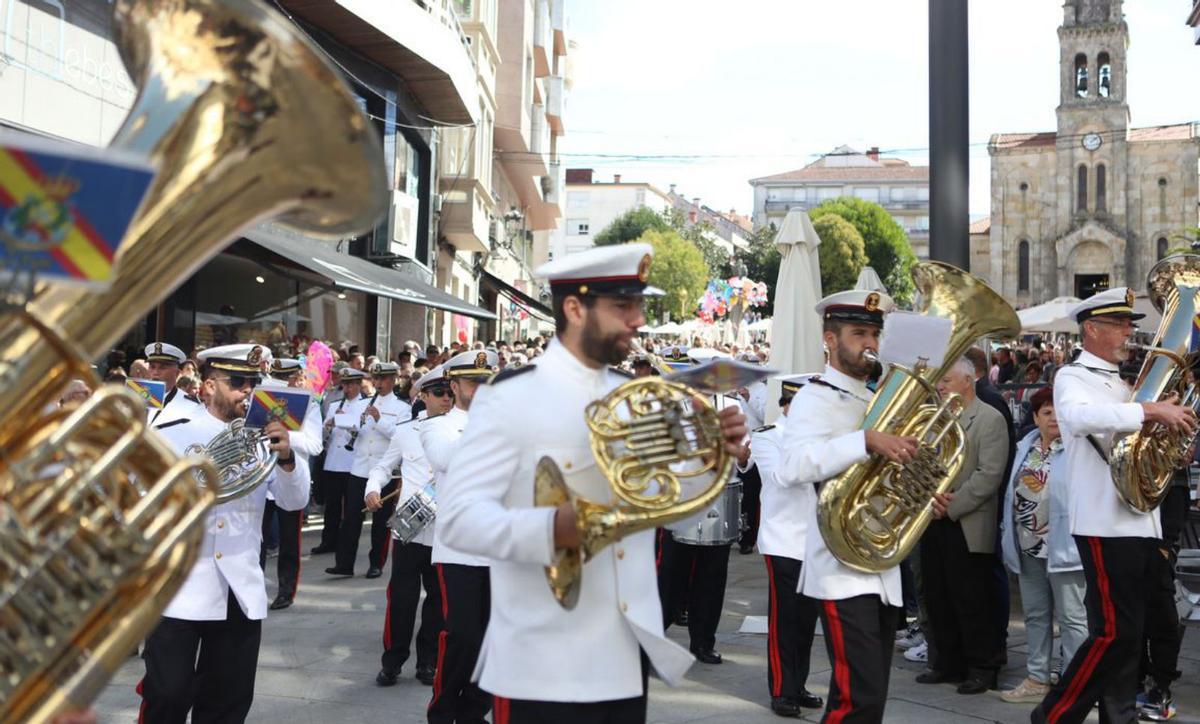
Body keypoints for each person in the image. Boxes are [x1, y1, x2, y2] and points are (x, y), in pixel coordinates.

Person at [437, 243, 746, 724]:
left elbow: (658, 502)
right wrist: (551, 529)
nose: (638, 319)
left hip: (625, 648)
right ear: (575, 309)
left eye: (639, 305)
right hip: (544, 654)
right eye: (624, 306)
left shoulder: (631, 396)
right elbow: (458, 520)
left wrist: (710, 463)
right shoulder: (510, 397)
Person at [1033, 288, 1196, 723]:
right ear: (1092, 329)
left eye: (1130, 325)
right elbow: (1078, 418)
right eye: (1121, 324)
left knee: (1131, 634)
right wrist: (1150, 411)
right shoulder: (1074, 377)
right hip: (1104, 521)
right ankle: (1054, 715)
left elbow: (1140, 440)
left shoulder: (1125, 384)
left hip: (1141, 520)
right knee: (1111, 634)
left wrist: (1172, 441)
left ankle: (1118, 717)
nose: (1130, 331)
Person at [139, 344, 310, 723]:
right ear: (209, 385)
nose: (248, 390)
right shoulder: (172, 431)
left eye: (253, 381)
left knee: (227, 703)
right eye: (238, 382)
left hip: (238, 585)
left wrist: (286, 458)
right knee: (168, 693)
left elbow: (294, 501)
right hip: (179, 583)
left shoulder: (268, 437)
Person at [778, 289, 916, 723]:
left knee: (866, 698)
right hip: (839, 568)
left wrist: (923, 492)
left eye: (875, 332)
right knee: (858, 699)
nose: (870, 342)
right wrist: (865, 440)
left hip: (880, 564)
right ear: (830, 340)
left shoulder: (875, 399)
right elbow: (792, 466)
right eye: (859, 333)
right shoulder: (813, 398)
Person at [918, 357, 1008, 694]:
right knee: (938, 594)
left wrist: (951, 504)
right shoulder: (937, 418)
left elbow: (990, 475)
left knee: (972, 599)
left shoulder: (990, 418)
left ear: (968, 381)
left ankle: (983, 666)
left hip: (966, 520)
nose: (940, 387)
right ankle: (947, 662)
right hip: (933, 517)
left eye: (946, 381)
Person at [998, 386, 1087, 703]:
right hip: (1028, 546)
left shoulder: (1079, 449)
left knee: (1073, 618)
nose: (1054, 418)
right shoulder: (1026, 446)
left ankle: (1074, 683)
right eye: (1046, 412)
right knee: (1036, 615)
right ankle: (1037, 679)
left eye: (1059, 412)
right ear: (1035, 417)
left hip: (1065, 548)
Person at [422, 349, 498, 724]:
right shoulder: (437, 425)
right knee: (463, 636)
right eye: (474, 382)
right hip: (459, 551)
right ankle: (443, 710)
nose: (482, 388)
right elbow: (447, 459)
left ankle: (472, 710)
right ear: (454, 386)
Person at [364, 365, 452, 688]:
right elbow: (384, 467)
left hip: (443, 529)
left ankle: (427, 661)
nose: (446, 399)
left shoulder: (461, 429)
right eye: (440, 393)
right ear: (424, 396)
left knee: (437, 603)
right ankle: (393, 660)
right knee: (401, 598)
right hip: (410, 526)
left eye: (450, 393)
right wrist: (372, 488)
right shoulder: (404, 431)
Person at [658, 347, 746, 665]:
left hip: (718, 504)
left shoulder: (734, 407)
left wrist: (741, 457)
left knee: (712, 577)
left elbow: (743, 459)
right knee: (671, 576)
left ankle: (703, 641)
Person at [752, 376, 823, 716]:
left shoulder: (816, 441)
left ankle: (799, 684)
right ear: (786, 406)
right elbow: (782, 477)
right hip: (782, 539)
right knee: (785, 620)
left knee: (807, 620)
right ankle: (781, 689)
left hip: (813, 540)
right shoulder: (768, 438)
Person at [260, 357, 324, 611]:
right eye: (277, 379)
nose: (282, 385)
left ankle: (286, 590)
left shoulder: (308, 405)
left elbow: (315, 445)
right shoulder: (260, 401)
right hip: (262, 478)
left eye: (287, 380)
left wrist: (286, 436)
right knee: (258, 541)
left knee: (289, 542)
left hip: (291, 477)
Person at [313, 368, 365, 555]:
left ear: (359, 385)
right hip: (334, 461)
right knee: (332, 506)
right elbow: (324, 432)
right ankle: (328, 541)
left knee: (351, 508)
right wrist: (328, 426)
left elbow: (362, 429)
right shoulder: (335, 405)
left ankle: (346, 545)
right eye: (345, 384)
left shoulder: (364, 404)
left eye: (351, 384)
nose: (347, 388)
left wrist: (344, 421)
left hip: (352, 462)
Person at [144, 342, 204, 428]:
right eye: (152, 367)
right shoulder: (136, 396)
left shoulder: (191, 406)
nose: (155, 372)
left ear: (177, 373)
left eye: (162, 367)